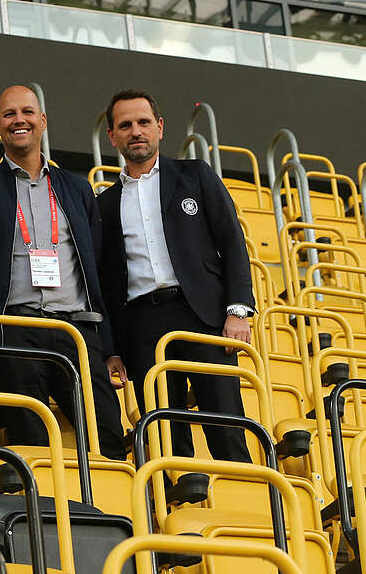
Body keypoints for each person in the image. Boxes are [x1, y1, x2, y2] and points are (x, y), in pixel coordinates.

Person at [0, 85, 127, 459]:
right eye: (10, 114)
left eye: (28, 112)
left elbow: (97, 270)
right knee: (28, 436)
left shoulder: (77, 189)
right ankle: (43, 511)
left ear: (42, 121)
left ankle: (108, 512)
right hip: (12, 330)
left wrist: (109, 346)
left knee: (107, 433)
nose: (20, 120)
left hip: (76, 330)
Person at [97, 88, 255, 462]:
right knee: (165, 431)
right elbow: (103, 281)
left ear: (160, 127)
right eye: (126, 125)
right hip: (141, 324)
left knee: (226, 424)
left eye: (143, 122)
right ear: (112, 136)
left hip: (202, 315)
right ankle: (179, 507)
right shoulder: (103, 203)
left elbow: (232, 242)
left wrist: (237, 310)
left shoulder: (195, 175)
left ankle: (251, 512)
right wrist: (112, 348)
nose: (136, 131)